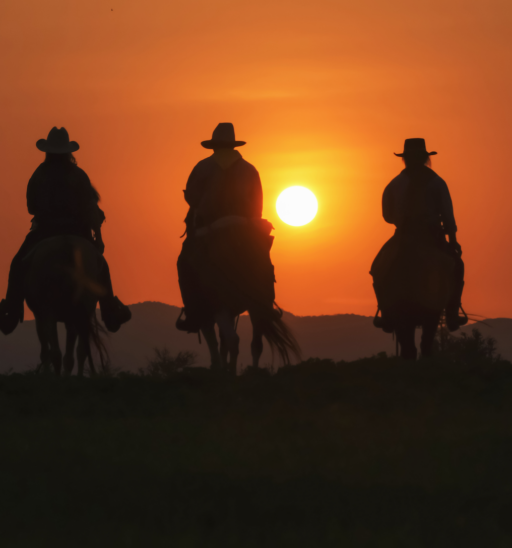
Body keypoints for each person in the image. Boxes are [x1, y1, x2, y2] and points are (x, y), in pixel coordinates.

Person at [0, 127, 131, 334]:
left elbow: (30, 207)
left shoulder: (39, 174)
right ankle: (110, 312)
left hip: (44, 231)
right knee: (102, 267)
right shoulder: (79, 175)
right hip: (78, 232)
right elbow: (91, 209)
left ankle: (10, 310)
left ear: (48, 151)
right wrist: (98, 237)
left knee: (17, 265)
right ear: (68, 152)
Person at [176, 123, 274, 332]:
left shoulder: (202, 167)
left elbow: (192, 198)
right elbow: (258, 204)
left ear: (214, 146)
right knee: (264, 260)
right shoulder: (249, 169)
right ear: (232, 145)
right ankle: (267, 302)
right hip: (245, 226)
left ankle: (192, 312)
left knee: (184, 262)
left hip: (210, 227)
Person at [373, 138, 466, 332]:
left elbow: (387, 216)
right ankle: (452, 313)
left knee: (378, 267)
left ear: (405, 159)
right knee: (457, 265)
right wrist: (453, 241)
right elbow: (448, 217)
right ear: (425, 158)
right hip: (431, 238)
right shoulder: (438, 183)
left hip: (402, 238)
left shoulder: (394, 184)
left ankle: (386, 313)